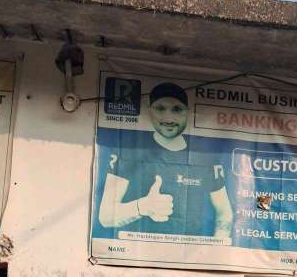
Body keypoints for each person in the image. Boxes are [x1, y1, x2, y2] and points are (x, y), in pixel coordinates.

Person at [98, 82, 233, 239]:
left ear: (188, 113)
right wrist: (142, 207)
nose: (168, 118)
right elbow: (105, 216)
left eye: (177, 109)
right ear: (150, 111)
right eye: (160, 108)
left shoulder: (205, 155)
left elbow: (225, 214)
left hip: (188, 252)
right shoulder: (128, 150)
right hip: (138, 251)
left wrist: (215, 247)